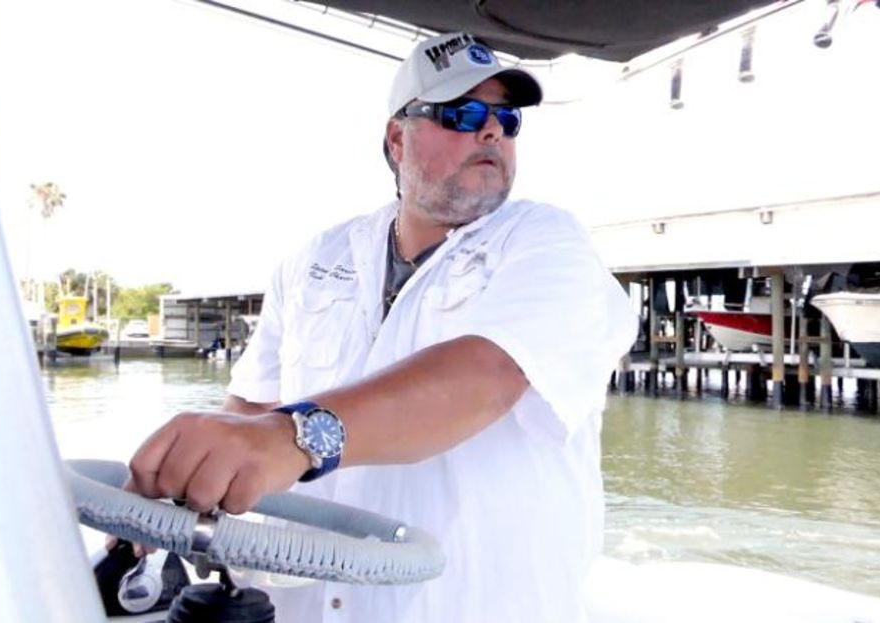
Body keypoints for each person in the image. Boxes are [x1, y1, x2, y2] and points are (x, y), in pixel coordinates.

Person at [125, 31, 637, 622]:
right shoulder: (317, 258)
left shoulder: (547, 243)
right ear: (398, 138)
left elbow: (488, 375)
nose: (490, 130)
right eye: (462, 113)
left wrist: (291, 439)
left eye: (506, 119)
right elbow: (248, 410)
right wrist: (187, 479)